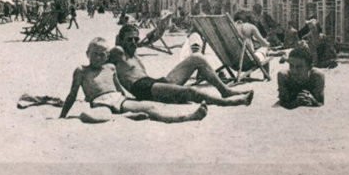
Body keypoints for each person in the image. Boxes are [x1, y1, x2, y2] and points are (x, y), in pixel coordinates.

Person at [60, 38, 208, 123]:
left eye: (102, 55)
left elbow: (118, 88)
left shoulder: (110, 67)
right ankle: (125, 116)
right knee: (87, 116)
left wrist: (128, 100)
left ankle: (189, 117)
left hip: (119, 100)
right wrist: (62, 116)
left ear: (107, 56)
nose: (99, 57)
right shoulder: (81, 71)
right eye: (95, 54)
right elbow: (72, 94)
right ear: (87, 54)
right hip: (100, 102)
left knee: (150, 107)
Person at [108, 24, 254, 107]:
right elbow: (101, 61)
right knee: (189, 91)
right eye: (129, 40)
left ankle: (225, 90)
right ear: (120, 40)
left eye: (136, 39)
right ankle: (229, 102)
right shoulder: (119, 52)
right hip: (144, 90)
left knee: (197, 57)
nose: (134, 42)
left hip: (155, 83)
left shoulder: (133, 53)